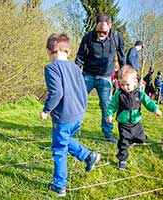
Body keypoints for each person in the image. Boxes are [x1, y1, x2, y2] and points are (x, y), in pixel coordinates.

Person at [40, 33, 101, 197]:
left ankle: (59, 186)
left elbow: (56, 92)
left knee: (59, 148)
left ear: (49, 51)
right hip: (78, 115)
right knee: (65, 139)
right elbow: (83, 91)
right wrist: (82, 109)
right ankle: (88, 156)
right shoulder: (75, 67)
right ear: (68, 50)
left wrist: (46, 110)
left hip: (64, 116)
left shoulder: (51, 68)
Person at [75, 14, 125, 143]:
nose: (101, 34)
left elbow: (121, 55)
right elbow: (80, 57)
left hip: (106, 77)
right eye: (99, 31)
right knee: (78, 102)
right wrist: (74, 74)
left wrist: (125, 73)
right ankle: (73, 129)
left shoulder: (116, 37)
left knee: (106, 105)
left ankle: (108, 133)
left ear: (110, 27)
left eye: (104, 32)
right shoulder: (88, 38)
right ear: (95, 27)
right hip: (88, 74)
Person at [106, 65, 162, 170]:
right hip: (124, 123)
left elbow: (148, 102)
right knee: (123, 142)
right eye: (122, 84)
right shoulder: (119, 94)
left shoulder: (139, 93)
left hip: (136, 122)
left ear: (135, 82)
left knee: (140, 138)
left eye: (127, 84)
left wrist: (155, 109)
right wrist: (109, 114)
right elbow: (112, 106)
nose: (124, 87)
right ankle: (122, 160)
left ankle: (135, 139)